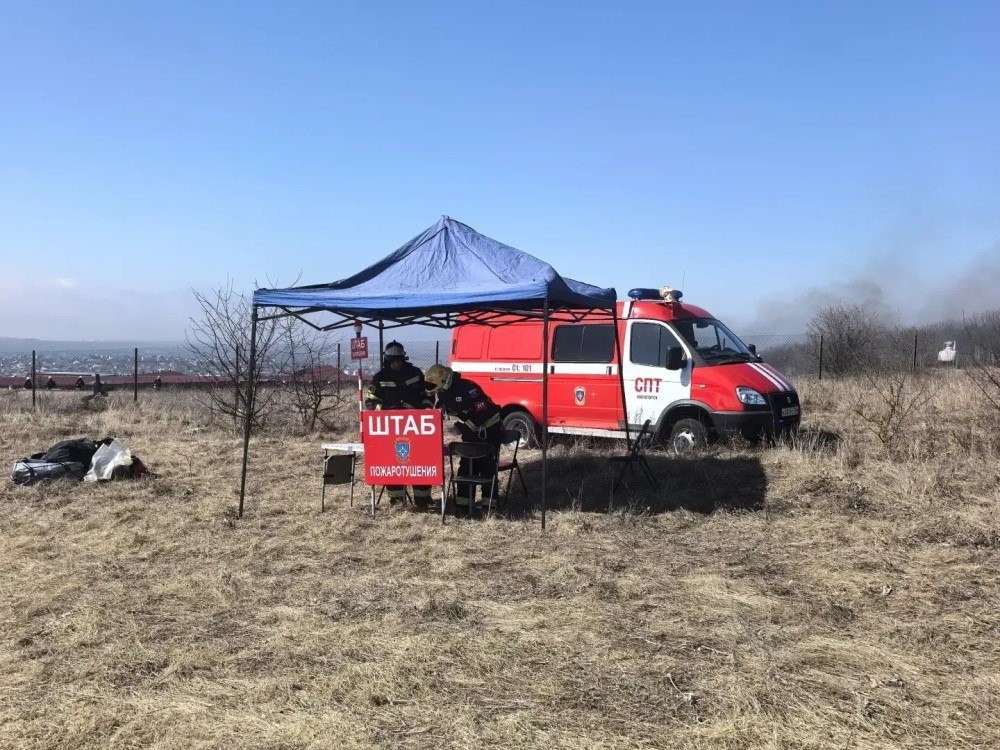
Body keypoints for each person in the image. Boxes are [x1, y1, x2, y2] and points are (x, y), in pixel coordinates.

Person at [424, 363, 502, 517]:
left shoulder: (469, 388)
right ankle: (464, 507)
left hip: (489, 430)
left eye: (438, 389)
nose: (438, 392)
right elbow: (443, 405)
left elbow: (483, 412)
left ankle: (489, 508)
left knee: (487, 467)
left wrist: (461, 427)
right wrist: (433, 414)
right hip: (471, 431)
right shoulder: (444, 391)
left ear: (445, 381)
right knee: (466, 467)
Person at [363, 342, 433, 508]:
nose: (396, 364)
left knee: (420, 461)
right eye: (393, 361)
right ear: (387, 360)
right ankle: (397, 500)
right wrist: (386, 409)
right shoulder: (380, 377)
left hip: (417, 426)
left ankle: (423, 499)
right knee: (392, 462)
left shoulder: (415, 373)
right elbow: (370, 401)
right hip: (390, 428)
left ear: (403, 358)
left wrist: (422, 409)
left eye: (399, 361)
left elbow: (428, 395)